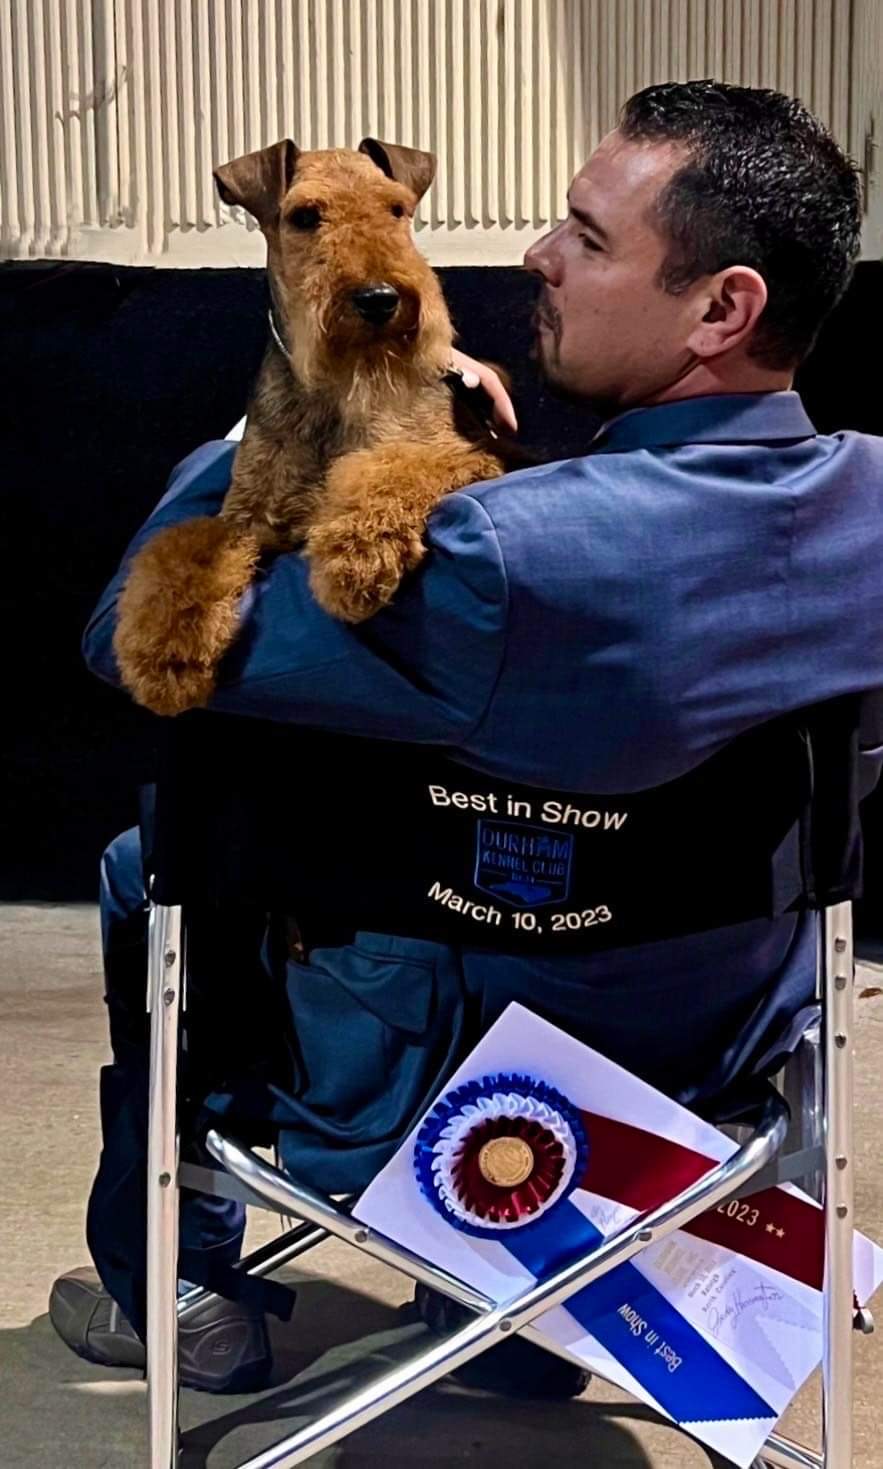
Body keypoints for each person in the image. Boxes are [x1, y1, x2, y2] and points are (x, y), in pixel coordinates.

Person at [52, 81, 883, 1399]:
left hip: (486, 1093)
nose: (536, 257)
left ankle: (179, 1276)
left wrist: (267, 424)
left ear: (721, 309)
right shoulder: (871, 499)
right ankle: (525, 1313)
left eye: (586, 238)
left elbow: (129, 638)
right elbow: (653, 571)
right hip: (728, 1068)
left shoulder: (490, 562)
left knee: (139, 864)